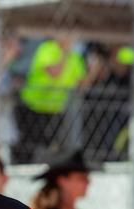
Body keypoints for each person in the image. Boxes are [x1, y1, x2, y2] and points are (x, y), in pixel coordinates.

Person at [15, 35, 86, 163]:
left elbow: (82, 83)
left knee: (49, 143)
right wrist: (64, 53)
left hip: (55, 109)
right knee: (29, 142)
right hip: (33, 105)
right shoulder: (47, 48)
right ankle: (23, 164)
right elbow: (54, 73)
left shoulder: (75, 56)